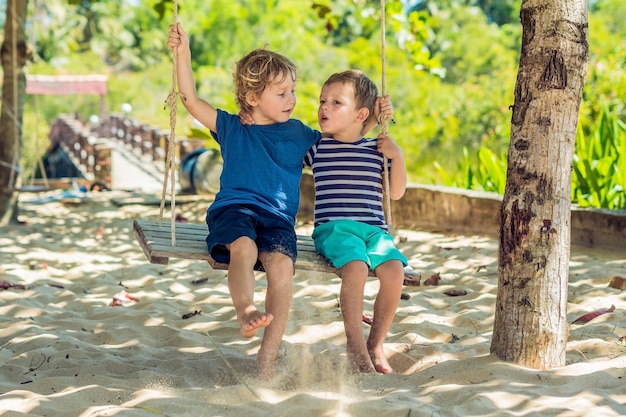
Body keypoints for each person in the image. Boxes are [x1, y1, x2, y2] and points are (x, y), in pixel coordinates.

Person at [167, 23, 323, 378]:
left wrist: (373, 118)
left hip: (278, 220)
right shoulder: (232, 127)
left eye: (292, 91)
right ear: (252, 99)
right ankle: (246, 310)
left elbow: (339, 145)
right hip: (233, 210)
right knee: (244, 248)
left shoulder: (299, 133)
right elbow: (190, 99)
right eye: (281, 93)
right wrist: (183, 53)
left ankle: (267, 356)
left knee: (282, 267)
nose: (292, 99)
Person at [304, 70, 408, 374]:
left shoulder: (377, 149)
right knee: (357, 266)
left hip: (375, 231)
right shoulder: (317, 148)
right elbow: (282, 152)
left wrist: (397, 155)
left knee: (394, 271)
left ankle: (375, 343)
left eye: (336, 102)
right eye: (323, 100)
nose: (324, 107)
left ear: (360, 114)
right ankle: (354, 343)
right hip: (334, 229)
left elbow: (397, 192)